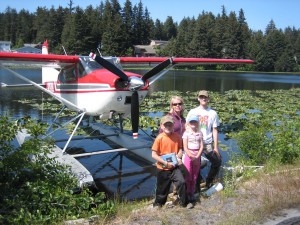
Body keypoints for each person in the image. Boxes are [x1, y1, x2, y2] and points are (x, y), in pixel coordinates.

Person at [186, 90, 222, 190]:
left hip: (207, 143)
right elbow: (187, 126)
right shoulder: (193, 111)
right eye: (201, 97)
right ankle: (196, 186)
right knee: (194, 163)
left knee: (217, 161)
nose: (203, 99)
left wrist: (215, 147)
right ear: (198, 98)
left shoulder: (213, 113)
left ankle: (208, 181)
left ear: (208, 99)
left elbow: (215, 130)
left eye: (205, 97)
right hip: (195, 142)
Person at [152, 115, 187, 208]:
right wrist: (165, 163)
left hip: (174, 167)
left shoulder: (177, 136)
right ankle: (158, 204)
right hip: (163, 167)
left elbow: (180, 148)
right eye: (166, 125)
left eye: (170, 125)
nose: (168, 127)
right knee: (162, 188)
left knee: (181, 182)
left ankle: (183, 202)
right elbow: (154, 155)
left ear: (173, 126)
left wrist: (179, 154)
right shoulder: (159, 138)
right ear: (161, 126)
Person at [182, 115, 203, 206]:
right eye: (191, 122)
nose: (193, 124)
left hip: (197, 154)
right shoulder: (186, 133)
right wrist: (191, 156)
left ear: (198, 123)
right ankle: (186, 193)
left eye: (195, 122)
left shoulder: (200, 133)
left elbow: (201, 145)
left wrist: (197, 156)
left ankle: (192, 192)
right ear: (188, 123)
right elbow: (185, 147)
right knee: (188, 174)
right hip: (189, 155)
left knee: (195, 175)